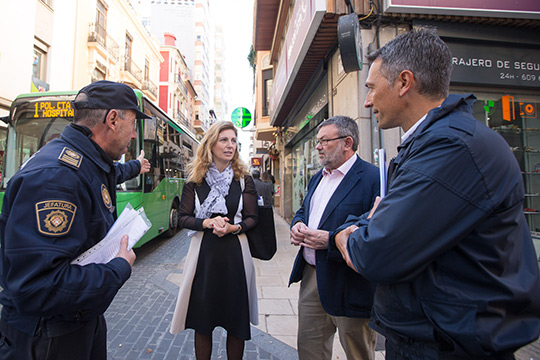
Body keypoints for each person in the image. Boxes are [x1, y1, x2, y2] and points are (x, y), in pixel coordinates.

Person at [333, 28, 540, 359]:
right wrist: (371, 223)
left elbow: (377, 252)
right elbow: (385, 222)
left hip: (445, 344)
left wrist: (346, 236)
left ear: (404, 82)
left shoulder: (450, 147)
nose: (368, 101)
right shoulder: (436, 143)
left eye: (372, 88)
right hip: (435, 335)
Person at [0, 80, 151, 359]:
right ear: (113, 120)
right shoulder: (57, 177)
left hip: (74, 324)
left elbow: (110, 175)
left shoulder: (87, 161)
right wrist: (118, 267)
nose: (133, 136)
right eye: (133, 124)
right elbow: (37, 287)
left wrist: (135, 167)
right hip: (49, 339)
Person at [289, 115, 380, 360]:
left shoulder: (374, 179)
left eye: (324, 141)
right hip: (311, 277)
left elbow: (373, 230)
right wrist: (297, 223)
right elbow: (303, 210)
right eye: (318, 141)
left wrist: (329, 239)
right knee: (309, 350)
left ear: (347, 143)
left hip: (350, 283)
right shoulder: (318, 177)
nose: (317, 146)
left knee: (357, 351)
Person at [170, 121, 259, 360]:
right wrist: (207, 223)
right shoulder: (194, 181)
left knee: (236, 322)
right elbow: (183, 218)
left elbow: (253, 218)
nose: (230, 146)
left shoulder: (243, 180)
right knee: (203, 321)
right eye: (224, 140)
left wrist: (234, 227)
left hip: (235, 257)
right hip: (204, 258)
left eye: (233, 141)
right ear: (211, 144)